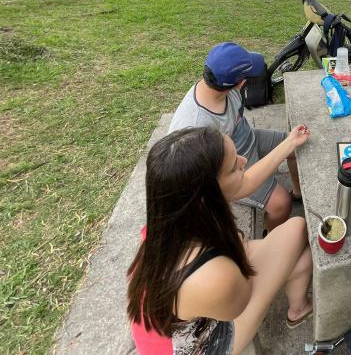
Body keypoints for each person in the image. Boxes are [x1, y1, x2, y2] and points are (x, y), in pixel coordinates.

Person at [127, 125, 313, 355]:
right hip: (198, 344)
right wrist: (244, 248)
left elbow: (244, 183)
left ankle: (299, 307)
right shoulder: (214, 276)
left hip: (172, 321)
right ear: (208, 194)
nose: (244, 161)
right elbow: (239, 300)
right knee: (297, 228)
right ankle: (299, 308)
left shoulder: (172, 218)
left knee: (298, 255)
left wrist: (289, 143)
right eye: (235, 166)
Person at [169, 42, 301, 232]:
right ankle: (270, 238)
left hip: (247, 139)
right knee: (281, 203)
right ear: (240, 82)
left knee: (298, 148)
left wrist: (289, 143)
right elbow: (199, 179)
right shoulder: (195, 127)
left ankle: (298, 193)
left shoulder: (222, 85)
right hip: (230, 167)